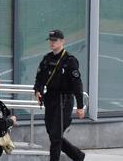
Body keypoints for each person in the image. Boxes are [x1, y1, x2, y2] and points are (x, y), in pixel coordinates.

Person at [34, 29, 86, 161]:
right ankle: (77, 156)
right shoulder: (47, 59)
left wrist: (80, 106)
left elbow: (77, 84)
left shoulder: (69, 61)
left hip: (64, 100)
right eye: (50, 40)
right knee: (52, 133)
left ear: (62, 41)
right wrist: (38, 90)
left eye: (55, 40)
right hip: (50, 98)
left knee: (56, 136)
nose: (52, 43)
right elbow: (39, 78)